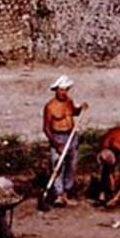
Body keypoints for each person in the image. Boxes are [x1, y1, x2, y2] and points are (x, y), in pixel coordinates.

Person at [43, 75, 88, 207]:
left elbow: (74, 112)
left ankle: (67, 192)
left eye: (66, 90)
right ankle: (58, 194)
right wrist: (57, 145)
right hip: (58, 137)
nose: (63, 92)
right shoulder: (50, 107)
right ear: (56, 90)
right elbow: (46, 128)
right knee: (57, 166)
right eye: (61, 90)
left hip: (72, 136)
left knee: (71, 165)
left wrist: (81, 108)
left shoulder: (69, 101)